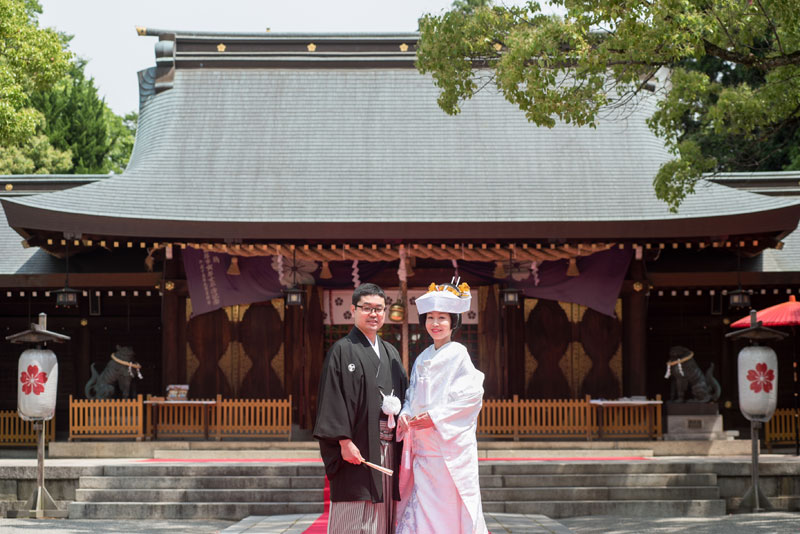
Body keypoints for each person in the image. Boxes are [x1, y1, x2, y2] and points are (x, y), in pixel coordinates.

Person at [313, 282, 408, 534]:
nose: (374, 314)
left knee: (382, 511)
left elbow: (405, 395)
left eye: (379, 308)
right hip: (356, 447)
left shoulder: (390, 352)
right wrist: (343, 442)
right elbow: (332, 398)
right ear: (354, 309)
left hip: (387, 445)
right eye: (367, 308)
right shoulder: (342, 351)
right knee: (354, 512)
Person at [396, 281, 488, 534]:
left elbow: (472, 396)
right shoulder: (422, 356)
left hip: (449, 450)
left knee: (448, 507)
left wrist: (435, 417)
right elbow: (411, 395)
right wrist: (405, 415)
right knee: (423, 502)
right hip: (424, 448)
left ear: (453, 323)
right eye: (431, 318)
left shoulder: (459, 354)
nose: (435, 324)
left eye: (442, 318)